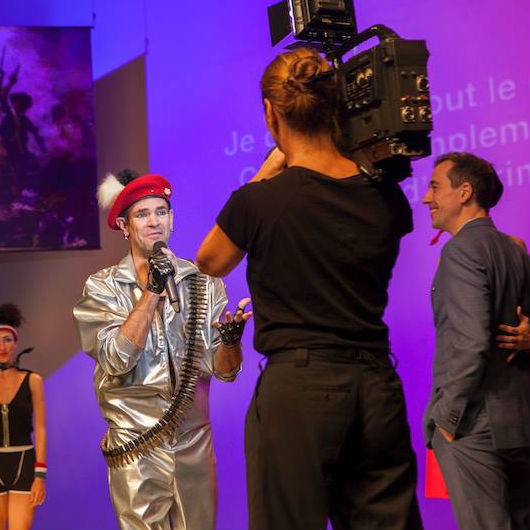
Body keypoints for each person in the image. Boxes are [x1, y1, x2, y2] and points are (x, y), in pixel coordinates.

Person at [196, 47, 422, 530]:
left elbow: (209, 261)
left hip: (299, 389)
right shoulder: (385, 197)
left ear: (271, 113)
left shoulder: (260, 201)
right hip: (377, 387)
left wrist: (264, 173)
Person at [73, 170, 251, 530]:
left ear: (172, 219)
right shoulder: (102, 288)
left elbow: (225, 371)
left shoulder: (204, 282)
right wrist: (152, 291)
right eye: (143, 214)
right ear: (124, 226)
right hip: (136, 442)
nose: (155, 221)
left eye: (161, 211)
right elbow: (116, 359)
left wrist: (231, 342)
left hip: (193, 441)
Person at [422, 152, 530, 530]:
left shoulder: (460, 250)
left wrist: (447, 418)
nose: (426, 198)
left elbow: (471, 342)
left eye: (435, 187)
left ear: (464, 192)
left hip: (473, 425)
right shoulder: (515, 249)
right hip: (518, 422)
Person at [0, 304, 46, 530]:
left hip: (24, 465)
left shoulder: (32, 380)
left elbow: (41, 429)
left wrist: (40, 475)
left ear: (16, 342)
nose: (2, 346)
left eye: (7, 339)